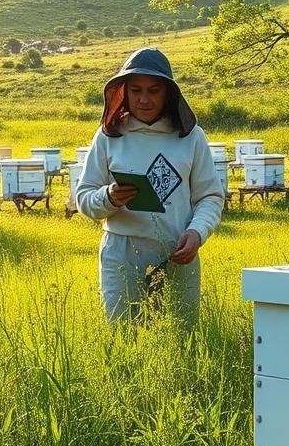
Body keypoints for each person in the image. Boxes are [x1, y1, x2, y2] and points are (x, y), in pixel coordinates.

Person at [76, 47, 224, 322]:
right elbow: (84, 197)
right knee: (124, 337)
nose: (144, 99)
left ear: (168, 92)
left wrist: (197, 233)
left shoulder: (191, 137)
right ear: (124, 92)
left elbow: (210, 196)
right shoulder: (109, 136)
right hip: (121, 254)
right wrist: (109, 197)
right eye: (136, 90)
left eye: (154, 90)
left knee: (180, 337)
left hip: (177, 252)